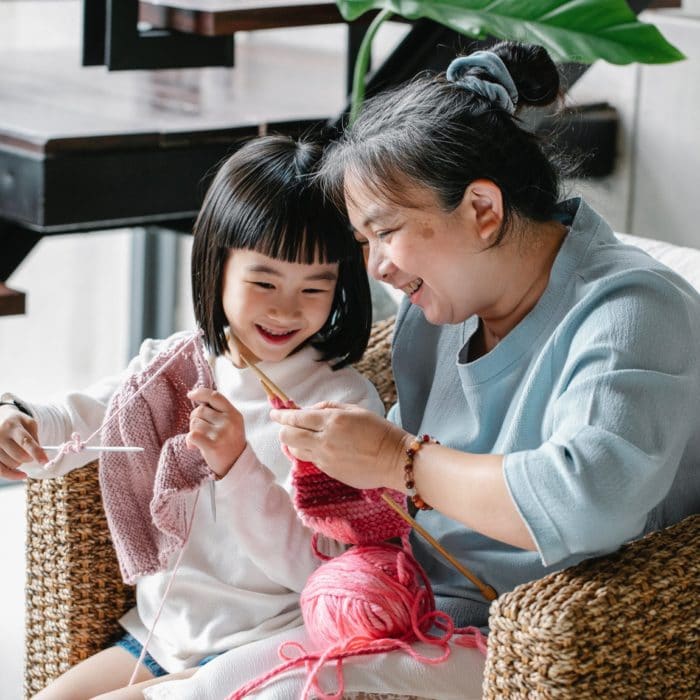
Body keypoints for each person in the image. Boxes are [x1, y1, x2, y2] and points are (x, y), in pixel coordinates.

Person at [138, 41, 700, 700]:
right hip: (401, 605)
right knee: (196, 686)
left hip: (529, 639)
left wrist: (398, 461)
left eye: (386, 232)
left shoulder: (634, 310)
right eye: (363, 242)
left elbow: (590, 500)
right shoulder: (440, 313)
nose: (376, 268)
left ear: (482, 211)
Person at [0, 135, 384, 700]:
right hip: (160, 640)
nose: (286, 308)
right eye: (263, 282)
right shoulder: (176, 368)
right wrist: (18, 420)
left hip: (270, 643)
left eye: (314, 287)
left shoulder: (341, 408)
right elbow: (83, 419)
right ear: (218, 264)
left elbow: (318, 569)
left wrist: (237, 465)